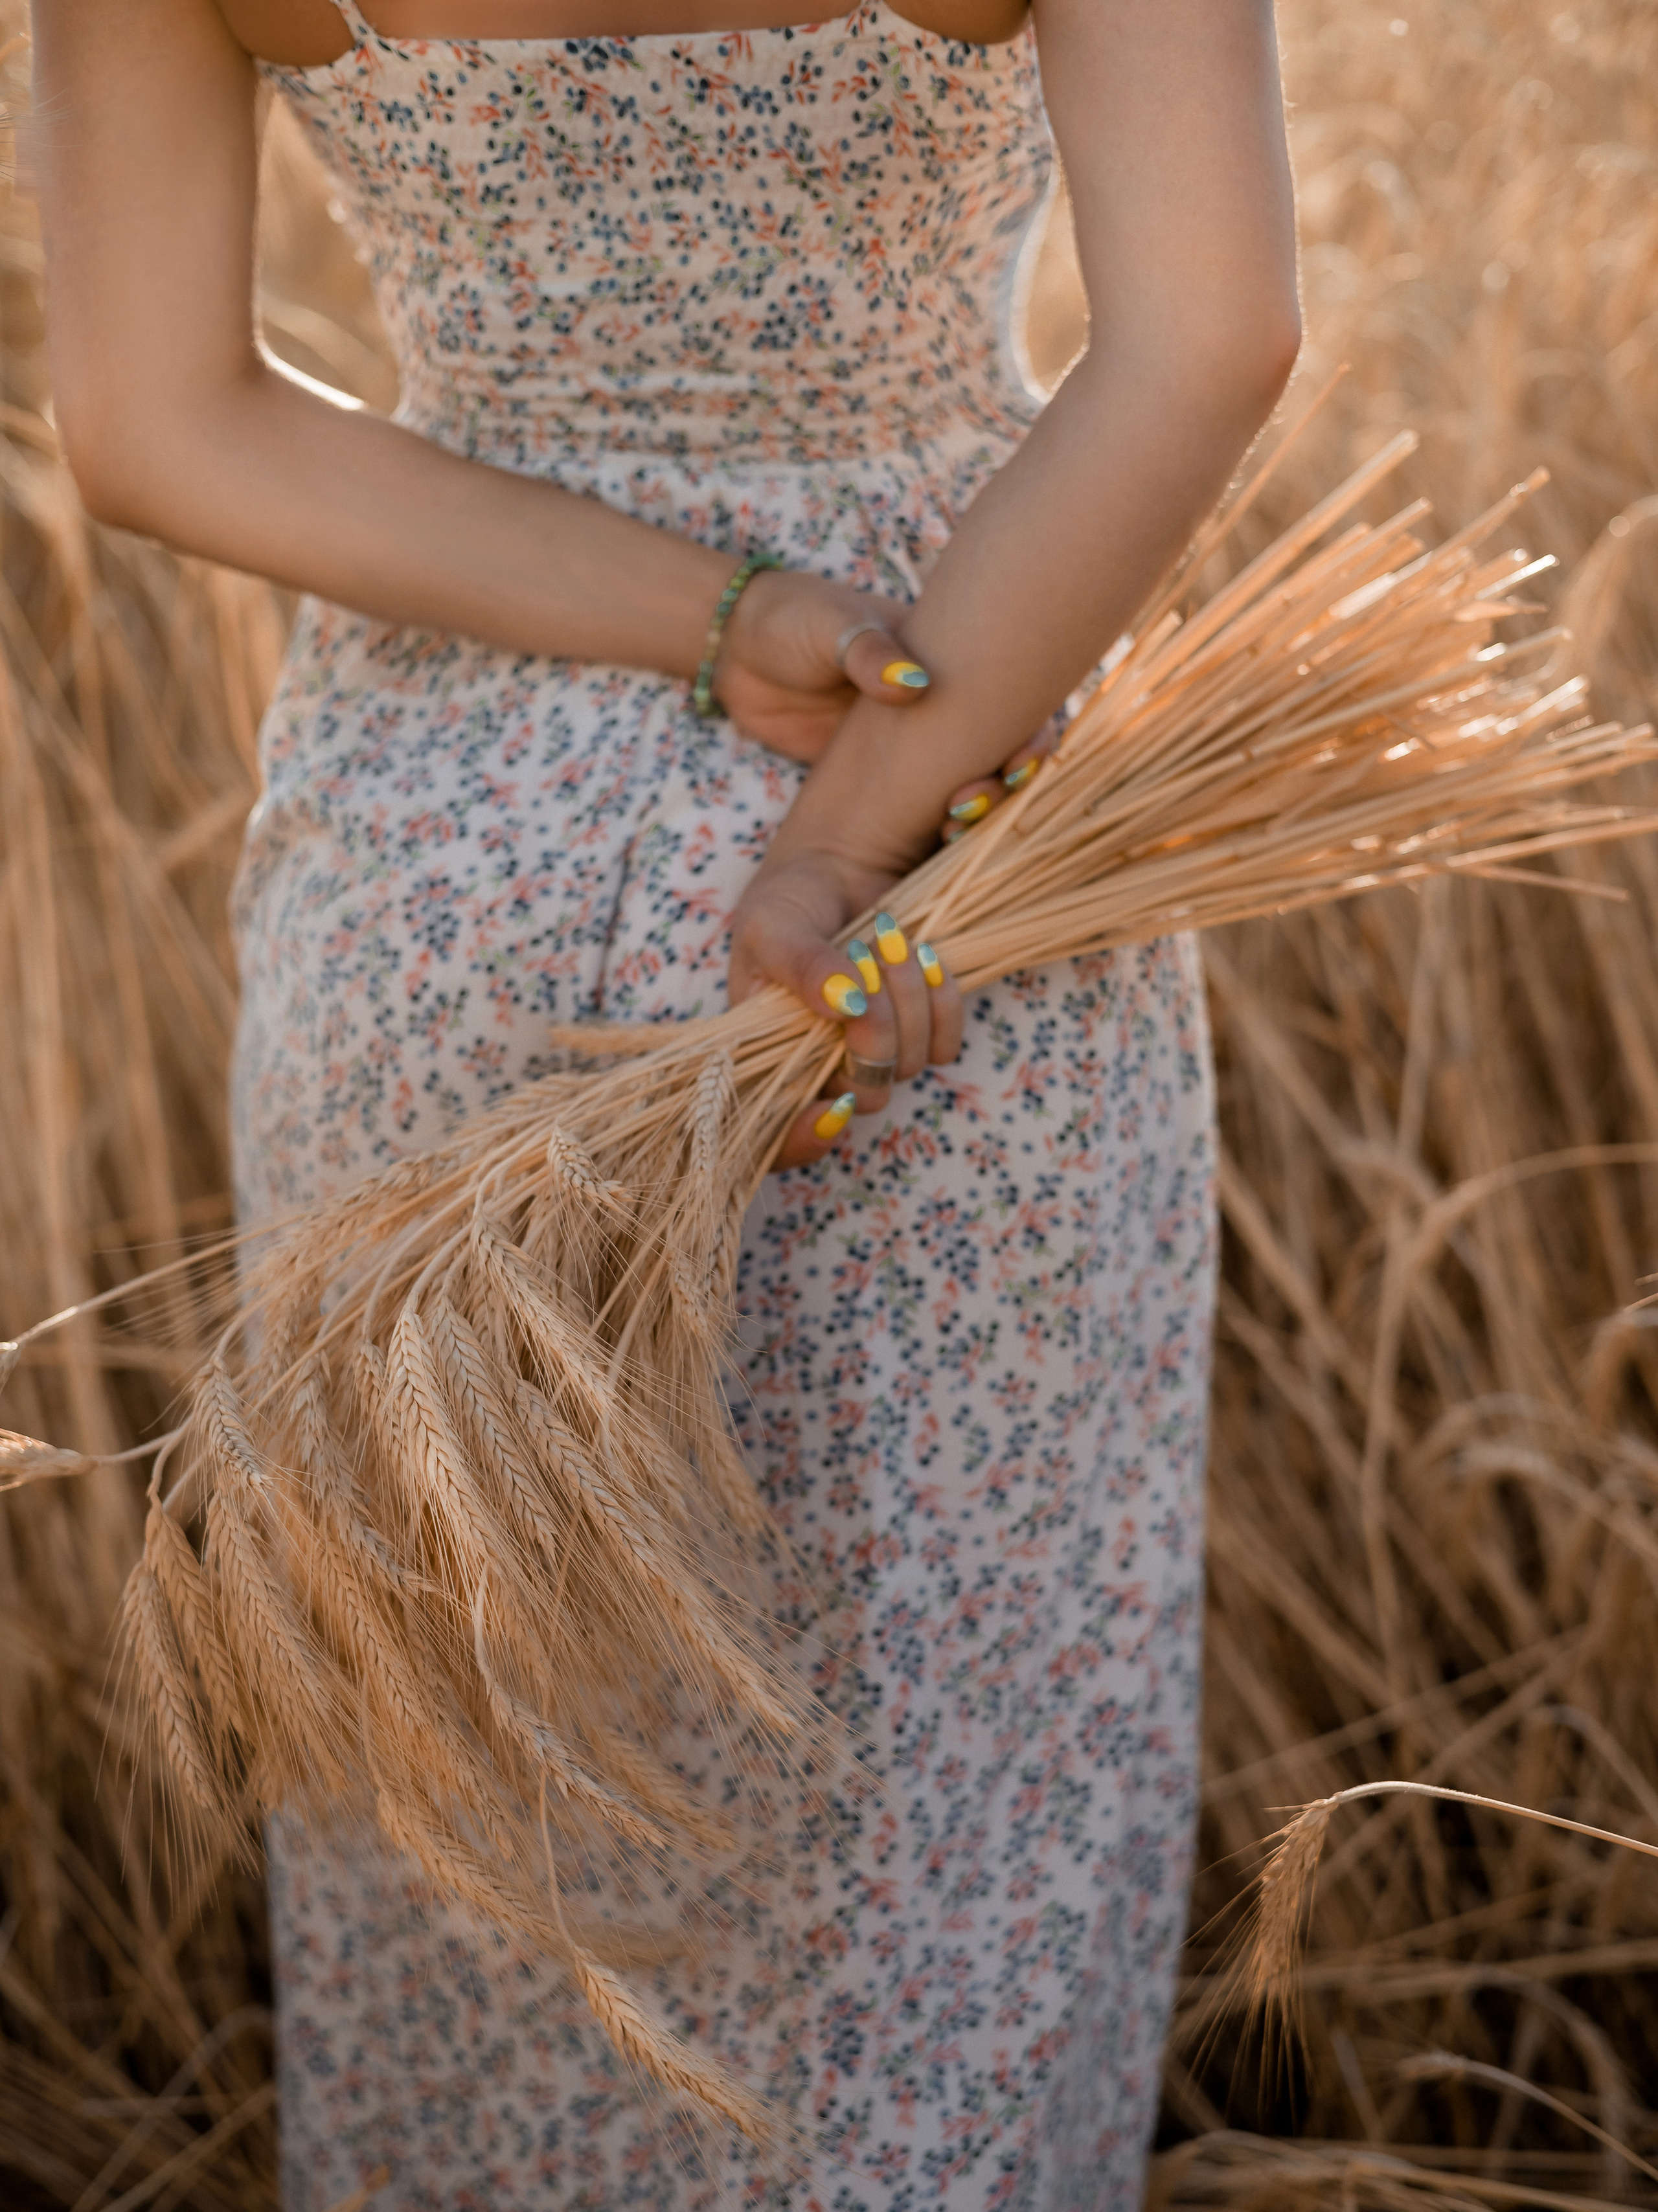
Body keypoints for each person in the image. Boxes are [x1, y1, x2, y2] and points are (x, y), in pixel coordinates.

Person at [36, 0, 1299, 2202]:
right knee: (935, 1836)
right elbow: (1206, 338)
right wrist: (839, 839)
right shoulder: (897, 818)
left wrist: (703, 618)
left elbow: (153, 419)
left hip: (438, 861)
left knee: (490, 1783)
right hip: (944, 822)